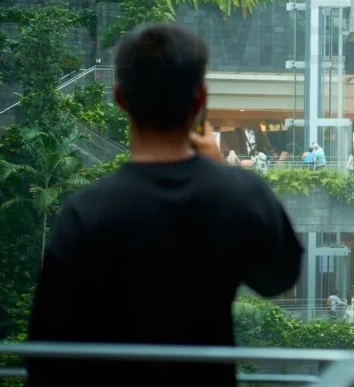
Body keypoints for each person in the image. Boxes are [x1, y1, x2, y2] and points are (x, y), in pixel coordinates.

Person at [27, 24, 303, 387]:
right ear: (200, 99)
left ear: (120, 98)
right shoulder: (239, 194)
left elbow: (47, 351)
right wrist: (223, 174)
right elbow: (278, 276)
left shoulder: (85, 211)